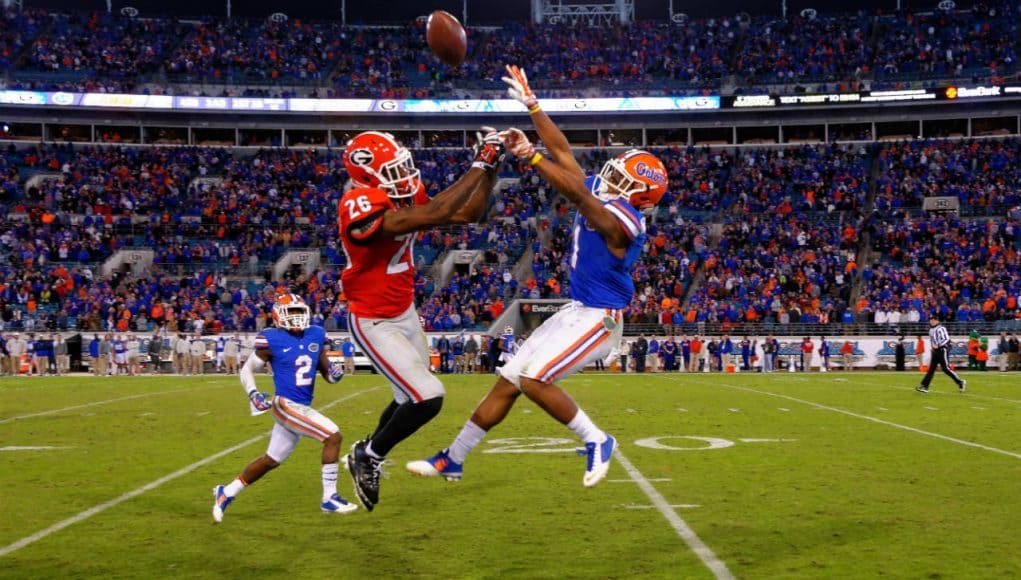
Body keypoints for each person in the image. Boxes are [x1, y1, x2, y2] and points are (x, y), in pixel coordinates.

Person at [407, 64, 668, 488]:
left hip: (600, 318)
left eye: (623, 177)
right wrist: (533, 107)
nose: (611, 175)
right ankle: (452, 459)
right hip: (577, 309)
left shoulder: (626, 221)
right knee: (508, 381)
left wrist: (530, 157)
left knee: (533, 379)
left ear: (639, 194)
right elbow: (564, 152)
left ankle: (597, 439)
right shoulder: (605, 197)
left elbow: (579, 194)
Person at [338, 128, 503, 512]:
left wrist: (490, 168)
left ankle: (365, 454)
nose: (405, 176)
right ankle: (370, 455)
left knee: (404, 398)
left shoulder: (398, 193)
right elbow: (438, 212)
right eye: (392, 170)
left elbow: (468, 212)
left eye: (403, 167)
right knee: (428, 397)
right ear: (366, 175)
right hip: (373, 318)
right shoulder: (357, 203)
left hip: (404, 311)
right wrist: (479, 163)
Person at [212, 294, 356, 522]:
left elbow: (326, 371)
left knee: (272, 459)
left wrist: (335, 374)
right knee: (333, 436)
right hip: (284, 405)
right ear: (279, 315)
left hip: (300, 406)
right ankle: (330, 497)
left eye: (300, 312)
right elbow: (246, 370)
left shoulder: (316, 334)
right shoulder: (271, 339)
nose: (297, 318)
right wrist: (253, 393)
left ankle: (227, 492)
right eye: (292, 313)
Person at [917, 317, 966, 393]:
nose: (931, 322)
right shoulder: (931, 330)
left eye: (933, 320)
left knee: (946, 369)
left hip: (942, 350)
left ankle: (960, 382)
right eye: (931, 320)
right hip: (935, 351)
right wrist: (933, 347)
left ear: (937, 321)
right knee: (931, 369)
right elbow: (932, 340)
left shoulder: (941, 328)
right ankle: (925, 386)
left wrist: (938, 345)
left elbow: (946, 339)